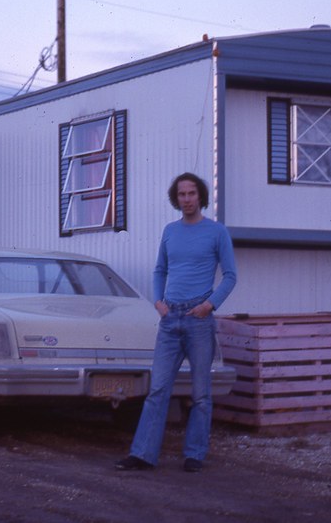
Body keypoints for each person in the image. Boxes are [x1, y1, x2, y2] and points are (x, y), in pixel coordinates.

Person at [115, 172, 237, 473]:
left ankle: (194, 455)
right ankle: (142, 454)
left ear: (201, 197)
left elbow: (231, 275)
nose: (187, 199)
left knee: (201, 393)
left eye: (192, 194)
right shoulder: (170, 231)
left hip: (199, 320)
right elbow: (159, 270)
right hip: (170, 320)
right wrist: (158, 302)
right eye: (181, 194)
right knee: (158, 390)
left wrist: (210, 305)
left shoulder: (217, 232)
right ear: (176, 198)